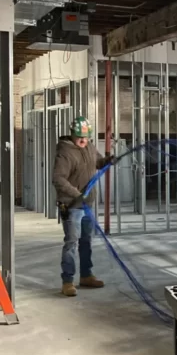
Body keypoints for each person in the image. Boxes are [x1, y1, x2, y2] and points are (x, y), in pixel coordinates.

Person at [52, 116, 110, 296]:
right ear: (72, 135)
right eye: (80, 137)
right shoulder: (65, 152)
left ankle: (86, 275)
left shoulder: (89, 147)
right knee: (71, 243)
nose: (83, 140)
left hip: (87, 205)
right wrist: (77, 195)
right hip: (72, 205)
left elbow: (97, 162)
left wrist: (108, 160)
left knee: (86, 241)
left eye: (86, 137)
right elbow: (58, 179)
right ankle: (67, 282)